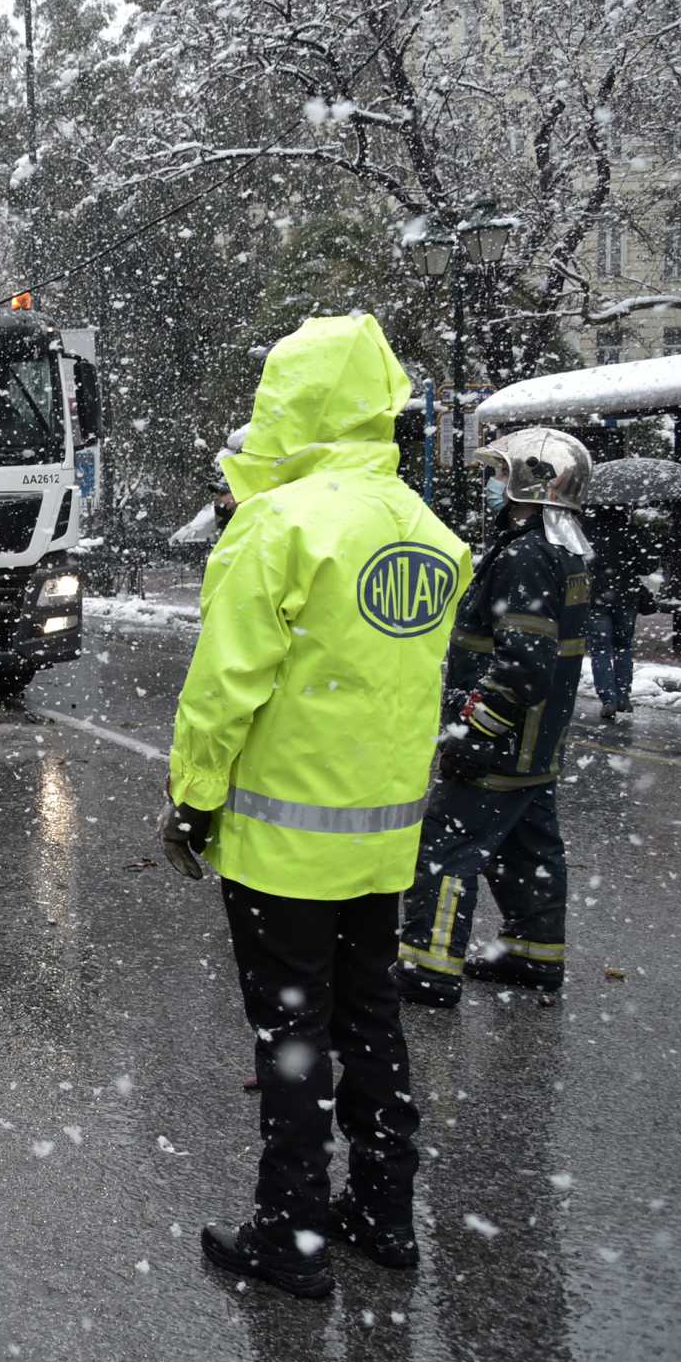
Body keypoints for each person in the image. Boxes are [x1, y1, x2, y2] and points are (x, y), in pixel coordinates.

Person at [158, 314, 469, 1297]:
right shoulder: (425, 530)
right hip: (380, 842)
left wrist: (191, 803)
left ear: (285, 405)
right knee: (371, 1021)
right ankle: (384, 1215)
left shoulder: (280, 523)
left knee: (291, 1035)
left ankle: (289, 1234)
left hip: (283, 848)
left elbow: (223, 689)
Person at [397, 428, 594, 1007]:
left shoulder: (526, 555)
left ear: (533, 482)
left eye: (502, 474)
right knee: (528, 846)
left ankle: (428, 967)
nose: (493, 484)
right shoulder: (568, 548)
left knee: (446, 846)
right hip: (537, 745)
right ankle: (534, 952)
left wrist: (472, 728)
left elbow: (523, 666)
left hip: (502, 741)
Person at [582, 498, 661, 722]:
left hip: (596, 596)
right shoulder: (632, 530)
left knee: (600, 649)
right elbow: (648, 565)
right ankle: (624, 695)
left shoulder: (586, 532)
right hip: (626, 597)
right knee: (623, 647)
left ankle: (608, 699)